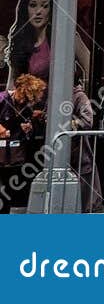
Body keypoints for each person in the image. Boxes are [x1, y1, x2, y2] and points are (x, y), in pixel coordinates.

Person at [0, 72, 46, 213]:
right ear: (18, 89)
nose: (23, 102)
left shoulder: (27, 107)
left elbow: (28, 130)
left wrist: (29, 128)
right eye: (23, 97)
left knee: (9, 194)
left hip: (15, 158)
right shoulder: (2, 99)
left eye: (28, 100)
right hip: (1, 154)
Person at [6, 0, 51, 82]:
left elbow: (91, 66)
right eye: (33, 5)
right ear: (25, 9)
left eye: (44, 6)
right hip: (29, 96)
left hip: (68, 96)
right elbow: (11, 87)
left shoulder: (65, 38)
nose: (38, 11)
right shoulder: (20, 41)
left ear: (51, 10)